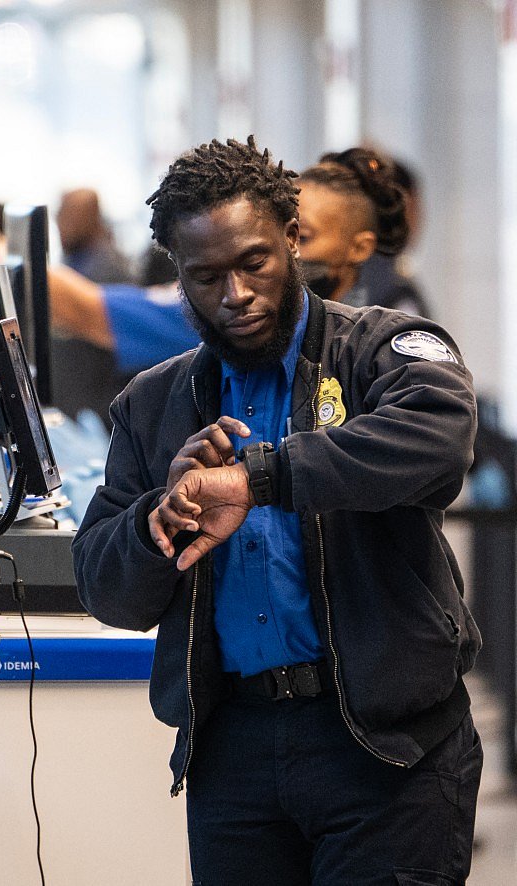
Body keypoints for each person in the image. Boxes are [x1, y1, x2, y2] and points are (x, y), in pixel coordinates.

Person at [72, 136, 481, 885]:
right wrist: (157, 519)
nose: (235, 294)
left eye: (253, 262)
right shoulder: (153, 404)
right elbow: (107, 588)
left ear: (293, 239)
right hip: (234, 754)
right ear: (179, 277)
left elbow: (439, 442)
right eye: (206, 276)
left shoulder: (381, 348)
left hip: (384, 748)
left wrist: (256, 478)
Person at [297, 146, 428, 316]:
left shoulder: (390, 315)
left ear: (360, 248)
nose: (288, 249)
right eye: (283, 233)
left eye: (302, 237)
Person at [55, 187, 134, 284]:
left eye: (67, 216)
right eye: (59, 214)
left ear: (87, 220)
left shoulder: (104, 264)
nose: (60, 223)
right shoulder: (74, 254)